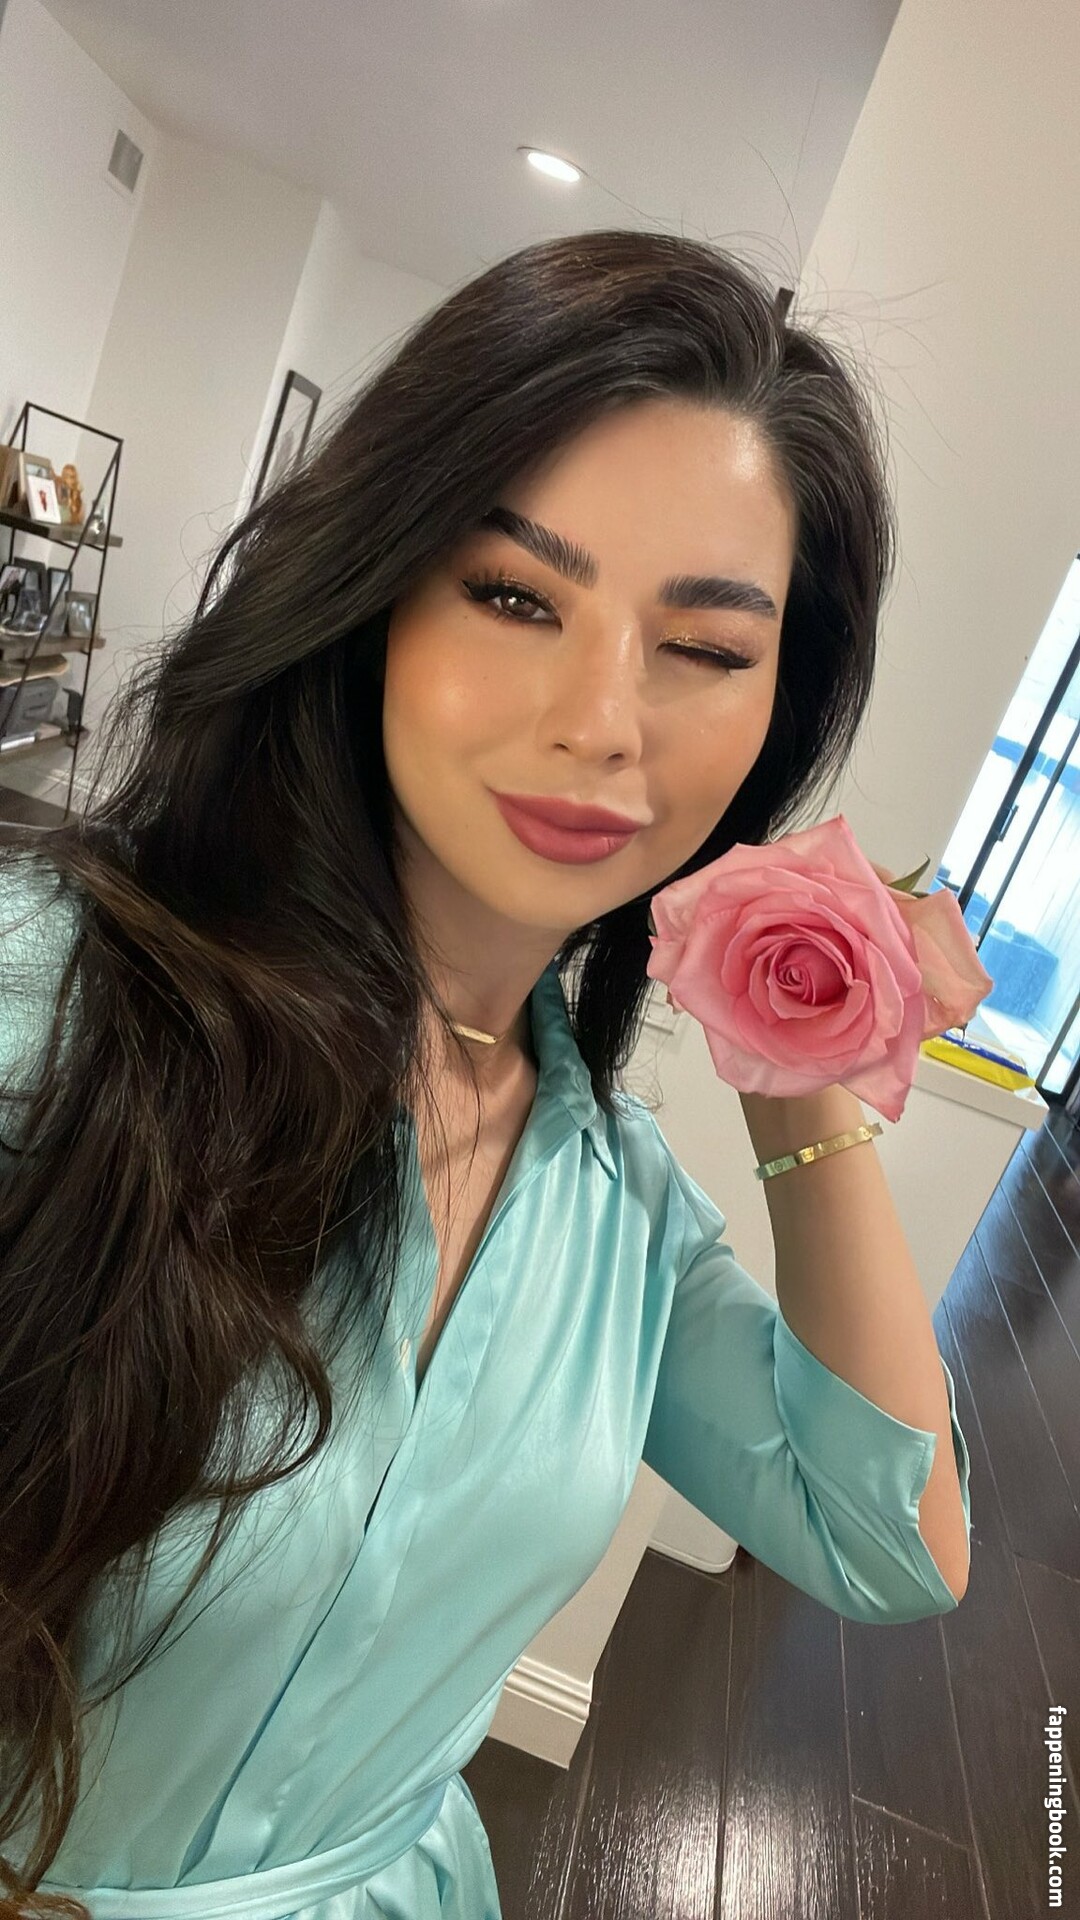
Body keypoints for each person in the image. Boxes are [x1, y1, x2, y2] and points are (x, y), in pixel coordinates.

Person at [0, 228, 971, 1920]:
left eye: (705, 648)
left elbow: (891, 1544)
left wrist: (803, 1047)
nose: (603, 722)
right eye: (517, 597)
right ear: (374, 594)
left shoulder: (613, 1210)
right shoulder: (52, 996)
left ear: (777, 707)